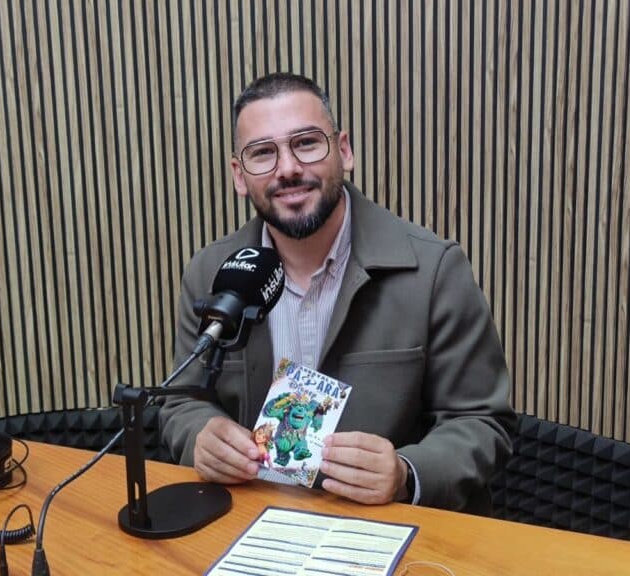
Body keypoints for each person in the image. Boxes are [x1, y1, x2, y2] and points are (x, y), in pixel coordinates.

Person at [159, 72, 516, 514]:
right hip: (250, 526)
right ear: (239, 174)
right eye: (263, 153)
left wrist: (406, 472)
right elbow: (181, 401)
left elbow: (483, 423)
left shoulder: (435, 270)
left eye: (306, 143)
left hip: (387, 533)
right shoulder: (211, 273)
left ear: (344, 151)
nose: (287, 168)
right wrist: (201, 435)